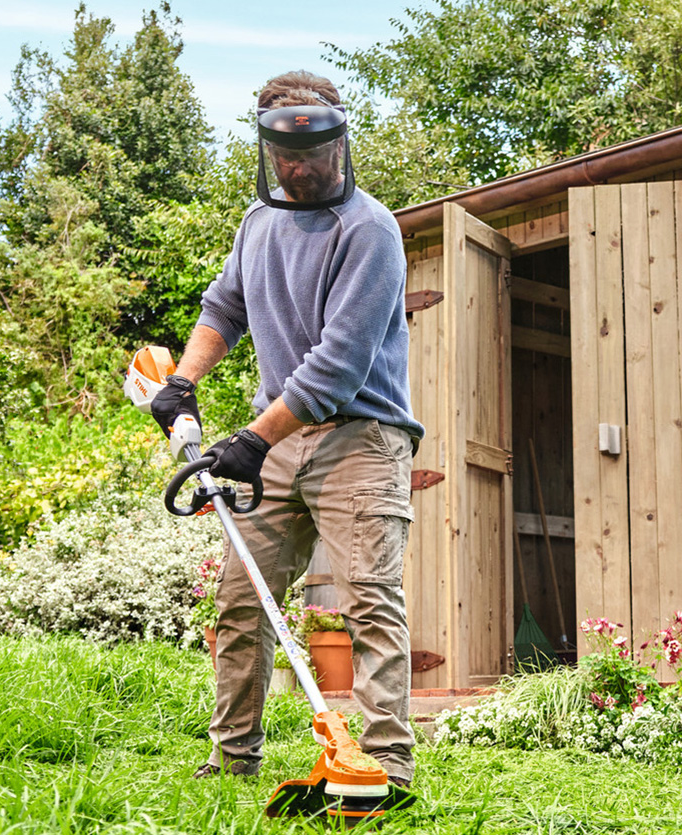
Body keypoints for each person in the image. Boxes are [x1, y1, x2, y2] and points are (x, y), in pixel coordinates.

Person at [146, 70, 421, 787]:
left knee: (369, 602)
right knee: (242, 601)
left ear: (340, 140)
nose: (298, 167)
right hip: (276, 438)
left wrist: (251, 439)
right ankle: (233, 758)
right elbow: (224, 307)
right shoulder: (257, 221)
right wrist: (184, 382)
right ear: (267, 147)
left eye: (314, 150)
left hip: (361, 437)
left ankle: (386, 765)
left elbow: (335, 367)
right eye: (284, 154)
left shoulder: (370, 230)